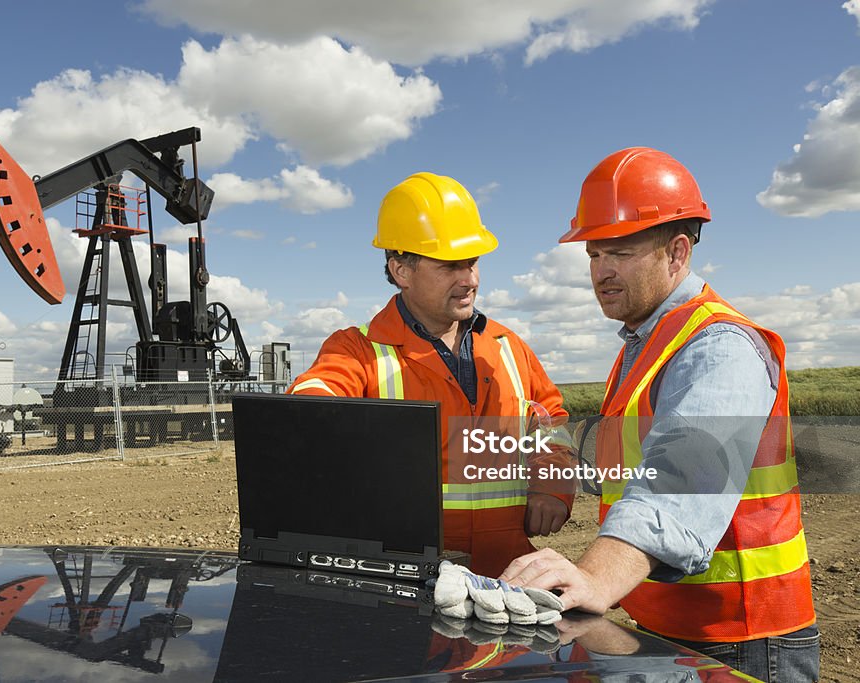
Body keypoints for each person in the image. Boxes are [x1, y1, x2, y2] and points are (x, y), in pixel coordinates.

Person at [499, 147, 818, 682]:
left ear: (676, 252)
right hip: (668, 624)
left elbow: (682, 479)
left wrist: (597, 577)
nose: (601, 271)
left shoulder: (717, 346)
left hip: (741, 640)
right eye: (594, 255)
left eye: (619, 252)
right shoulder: (644, 345)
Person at [288, 172, 574, 577]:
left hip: (510, 578)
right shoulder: (358, 350)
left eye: (473, 262)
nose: (470, 279)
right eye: (451, 266)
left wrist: (552, 485)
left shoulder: (509, 347)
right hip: (406, 583)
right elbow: (309, 404)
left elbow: (552, 422)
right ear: (401, 270)